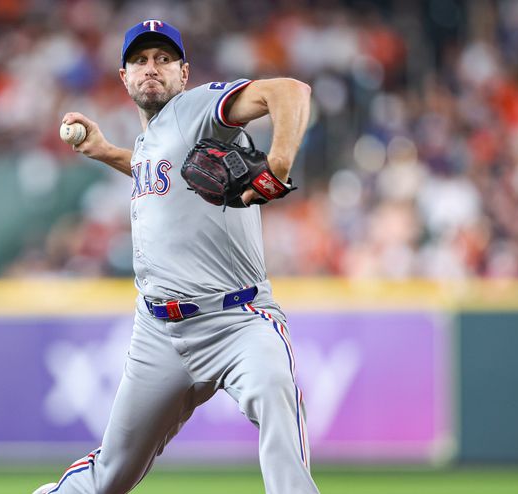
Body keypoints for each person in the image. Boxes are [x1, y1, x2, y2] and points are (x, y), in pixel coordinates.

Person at [34, 19, 316, 494]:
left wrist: (279, 162)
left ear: (184, 74)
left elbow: (290, 91)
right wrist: (107, 153)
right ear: (124, 78)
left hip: (237, 322)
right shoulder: (152, 139)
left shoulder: (197, 108)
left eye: (163, 60)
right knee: (111, 475)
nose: (151, 69)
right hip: (159, 335)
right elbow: (159, 169)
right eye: (140, 61)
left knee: (275, 397)